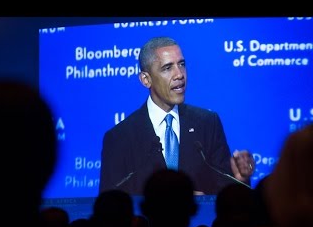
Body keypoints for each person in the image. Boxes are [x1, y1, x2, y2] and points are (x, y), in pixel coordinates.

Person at [99, 36, 255, 195]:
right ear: (146, 79)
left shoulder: (207, 123)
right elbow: (110, 205)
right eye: (167, 68)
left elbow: (225, 194)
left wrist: (240, 180)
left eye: (182, 64)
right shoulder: (119, 138)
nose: (179, 74)